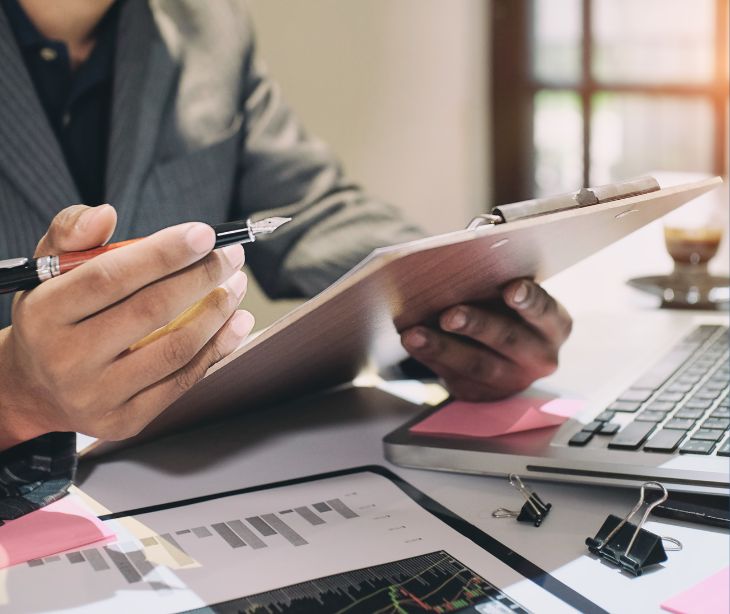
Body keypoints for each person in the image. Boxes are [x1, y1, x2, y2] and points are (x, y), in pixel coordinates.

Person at [0, 0, 572, 519]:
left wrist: (460, 288)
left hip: (176, 495)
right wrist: (14, 396)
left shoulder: (206, 25)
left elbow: (311, 210)